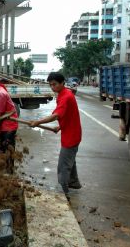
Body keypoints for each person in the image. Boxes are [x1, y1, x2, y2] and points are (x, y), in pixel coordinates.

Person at [29, 72, 82, 200]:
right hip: (70, 131)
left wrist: (38, 122)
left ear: (62, 83)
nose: (52, 87)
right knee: (70, 160)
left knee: (63, 165)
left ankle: (63, 193)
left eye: (55, 84)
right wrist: (60, 126)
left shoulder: (65, 97)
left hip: (71, 136)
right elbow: (67, 115)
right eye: (50, 85)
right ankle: (74, 182)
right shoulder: (62, 95)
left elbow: (56, 115)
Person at [0, 72, 19, 173]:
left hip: (10, 125)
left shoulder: (0, 93)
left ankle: (10, 171)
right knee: (2, 147)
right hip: (4, 123)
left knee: (8, 148)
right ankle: (4, 168)